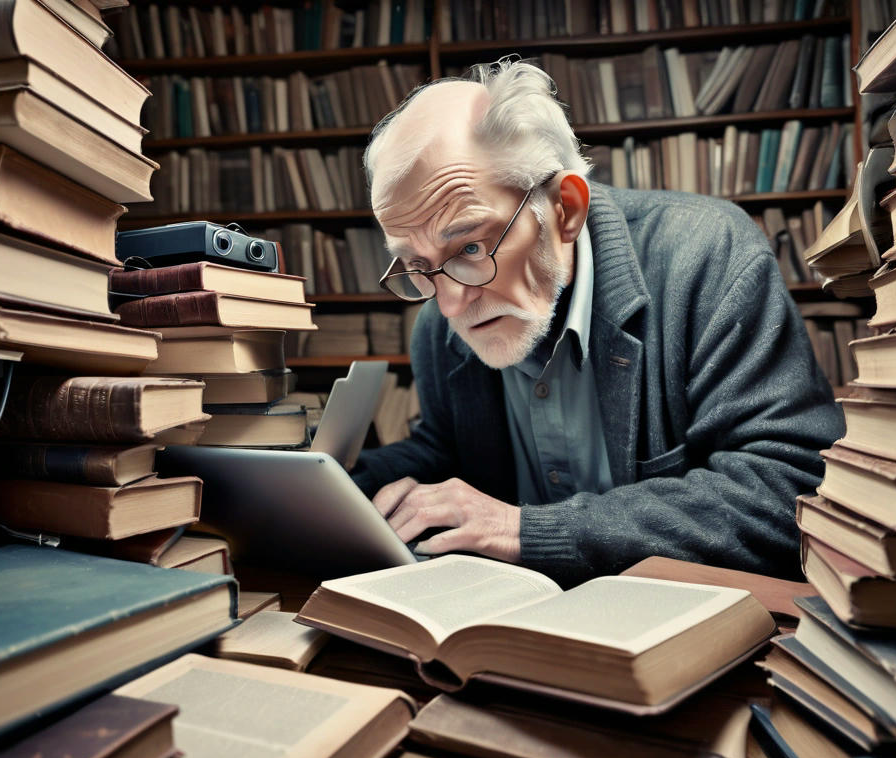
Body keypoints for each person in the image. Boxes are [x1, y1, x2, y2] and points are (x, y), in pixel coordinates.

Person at [350, 57, 844, 586]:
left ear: (566, 209)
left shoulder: (705, 256)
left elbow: (790, 488)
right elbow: (448, 448)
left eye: (470, 245)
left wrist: (524, 530)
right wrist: (334, 480)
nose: (448, 305)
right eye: (417, 265)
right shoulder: (439, 324)